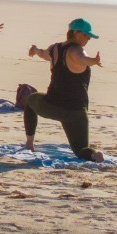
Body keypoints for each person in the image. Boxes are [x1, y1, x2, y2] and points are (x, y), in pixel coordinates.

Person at [15, 17, 103, 161]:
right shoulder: (77, 51)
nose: (88, 38)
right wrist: (93, 61)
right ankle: (94, 155)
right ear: (75, 33)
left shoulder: (55, 49)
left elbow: (44, 53)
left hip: (52, 106)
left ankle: (29, 144)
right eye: (86, 35)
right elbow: (82, 58)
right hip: (77, 112)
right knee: (81, 150)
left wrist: (36, 50)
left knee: (31, 100)